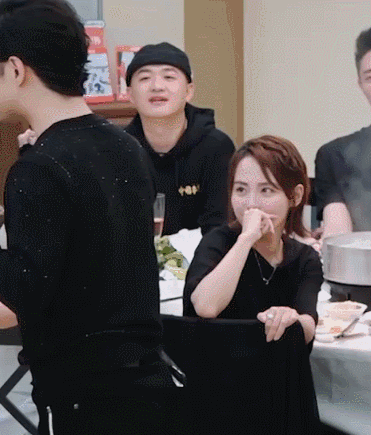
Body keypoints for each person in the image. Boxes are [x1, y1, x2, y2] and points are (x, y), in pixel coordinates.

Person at [0, 1, 179, 434]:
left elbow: (24, 289)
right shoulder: (125, 146)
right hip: (147, 381)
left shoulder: (40, 167)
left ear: (16, 70)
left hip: (83, 396)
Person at [184, 135, 322, 346]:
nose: (251, 203)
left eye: (266, 190)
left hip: (280, 365)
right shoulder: (217, 242)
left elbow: (308, 326)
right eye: (241, 189)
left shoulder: (305, 257)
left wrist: (292, 319)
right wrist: (246, 239)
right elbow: (205, 306)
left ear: (295, 196)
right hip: (220, 364)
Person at [124, 42, 235, 236]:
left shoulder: (217, 147)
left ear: (188, 91)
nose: (157, 86)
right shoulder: (118, 149)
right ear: (130, 94)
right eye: (145, 78)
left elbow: (220, 227)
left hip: (204, 254)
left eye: (169, 77)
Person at [314, 27, 371, 239]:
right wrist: (331, 242)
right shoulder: (334, 156)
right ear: (360, 84)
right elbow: (339, 235)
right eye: (370, 77)